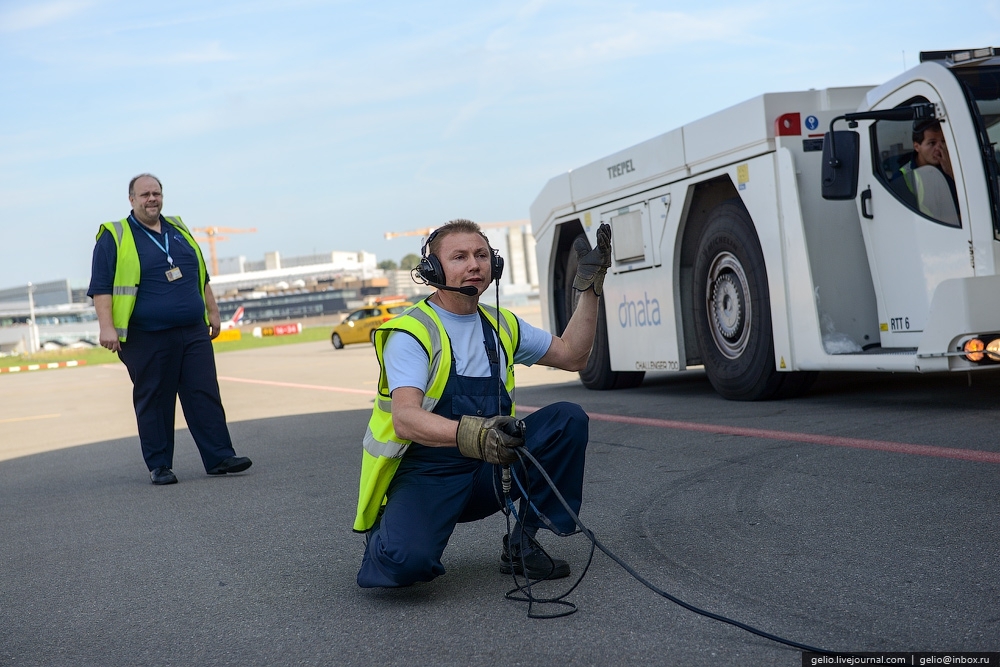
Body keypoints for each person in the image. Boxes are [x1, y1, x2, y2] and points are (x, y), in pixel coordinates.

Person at [354, 219, 613, 588]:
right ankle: (390, 532)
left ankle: (523, 542)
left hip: (492, 466)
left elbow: (573, 355)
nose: (474, 264)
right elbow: (406, 419)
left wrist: (590, 288)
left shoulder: (502, 324)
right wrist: (475, 434)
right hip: (429, 470)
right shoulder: (412, 333)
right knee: (404, 566)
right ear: (432, 270)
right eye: (459, 257)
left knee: (567, 419)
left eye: (481, 255)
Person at [88, 174, 252, 485]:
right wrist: (106, 327)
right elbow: (101, 288)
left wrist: (213, 312)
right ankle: (160, 465)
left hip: (192, 331)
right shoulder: (115, 235)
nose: (152, 199)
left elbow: (200, 274)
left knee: (204, 393)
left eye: (157, 193)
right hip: (144, 335)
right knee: (155, 398)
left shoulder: (178, 229)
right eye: (145, 194)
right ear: (132, 199)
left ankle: (220, 457)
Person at [897, 119, 960, 225]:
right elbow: (918, 221)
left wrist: (953, 173)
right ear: (917, 146)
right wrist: (962, 218)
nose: (940, 149)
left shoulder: (952, 167)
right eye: (932, 143)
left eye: (943, 142)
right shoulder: (903, 177)